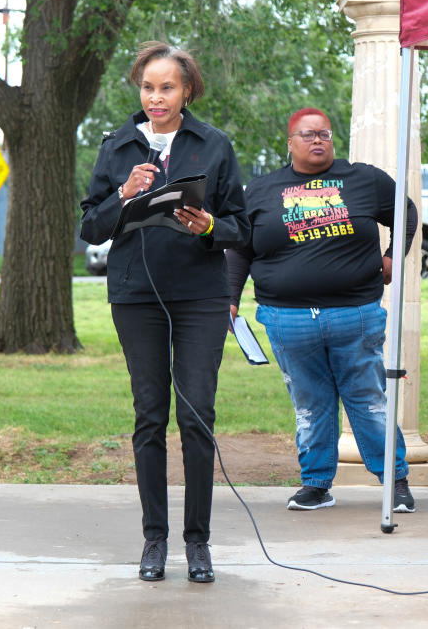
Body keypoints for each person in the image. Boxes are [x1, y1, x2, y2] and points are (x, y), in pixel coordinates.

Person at [80, 41, 249, 583]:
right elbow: (91, 227)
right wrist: (123, 195)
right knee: (150, 417)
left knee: (196, 415)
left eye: (167, 87)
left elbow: (241, 228)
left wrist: (210, 228)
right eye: (148, 87)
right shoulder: (117, 146)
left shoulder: (214, 145)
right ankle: (155, 540)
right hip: (136, 297)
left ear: (188, 91)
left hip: (199, 296)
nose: (157, 97)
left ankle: (197, 542)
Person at [227, 108, 419, 513]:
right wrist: (230, 297)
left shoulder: (364, 179)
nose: (318, 141)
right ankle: (316, 484)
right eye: (308, 134)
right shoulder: (261, 190)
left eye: (325, 134)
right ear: (290, 142)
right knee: (309, 404)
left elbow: (406, 214)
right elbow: (240, 249)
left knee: (368, 400)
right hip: (287, 318)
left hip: (355, 314)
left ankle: (395, 482)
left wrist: (392, 257)